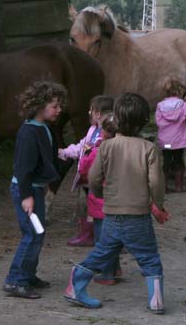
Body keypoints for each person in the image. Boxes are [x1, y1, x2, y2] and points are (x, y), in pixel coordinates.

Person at [64, 93, 168, 314]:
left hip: (111, 212)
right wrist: (158, 203)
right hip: (138, 215)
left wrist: (100, 193)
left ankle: (76, 282)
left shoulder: (106, 147)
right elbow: (156, 182)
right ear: (143, 121)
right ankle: (156, 300)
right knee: (148, 256)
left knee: (102, 252)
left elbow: (93, 177)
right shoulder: (149, 148)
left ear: (117, 118)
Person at [3, 81, 66, 299]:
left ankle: (28, 275)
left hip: (35, 189)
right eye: (55, 106)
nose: (59, 110)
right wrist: (26, 196)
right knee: (31, 234)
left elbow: (43, 159)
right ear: (40, 105)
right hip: (26, 191)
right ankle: (16, 281)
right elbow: (23, 169)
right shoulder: (30, 132)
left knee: (37, 233)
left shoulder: (42, 128)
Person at [59, 95, 114, 247]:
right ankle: (90, 234)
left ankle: (99, 237)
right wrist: (66, 152)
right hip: (88, 177)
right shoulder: (92, 131)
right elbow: (82, 146)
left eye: (91, 110)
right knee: (91, 206)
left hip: (100, 178)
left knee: (99, 208)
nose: (88, 113)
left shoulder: (108, 136)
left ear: (98, 114)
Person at [78, 112, 122, 285]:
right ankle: (115, 267)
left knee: (102, 239)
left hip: (99, 201)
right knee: (114, 237)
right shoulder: (122, 150)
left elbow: (85, 170)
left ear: (103, 131)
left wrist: (86, 154)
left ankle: (106, 273)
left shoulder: (98, 151)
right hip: (118, 200)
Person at [155, 78, 186, 192]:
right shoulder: (184, 105)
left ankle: (164, 186)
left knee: (166, 162)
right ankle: (179, 186)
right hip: (179, 141)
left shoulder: (160, 106)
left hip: (166, 142)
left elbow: (158, 122)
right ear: (180, 92)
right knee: (179, 162)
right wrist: (185, 123)